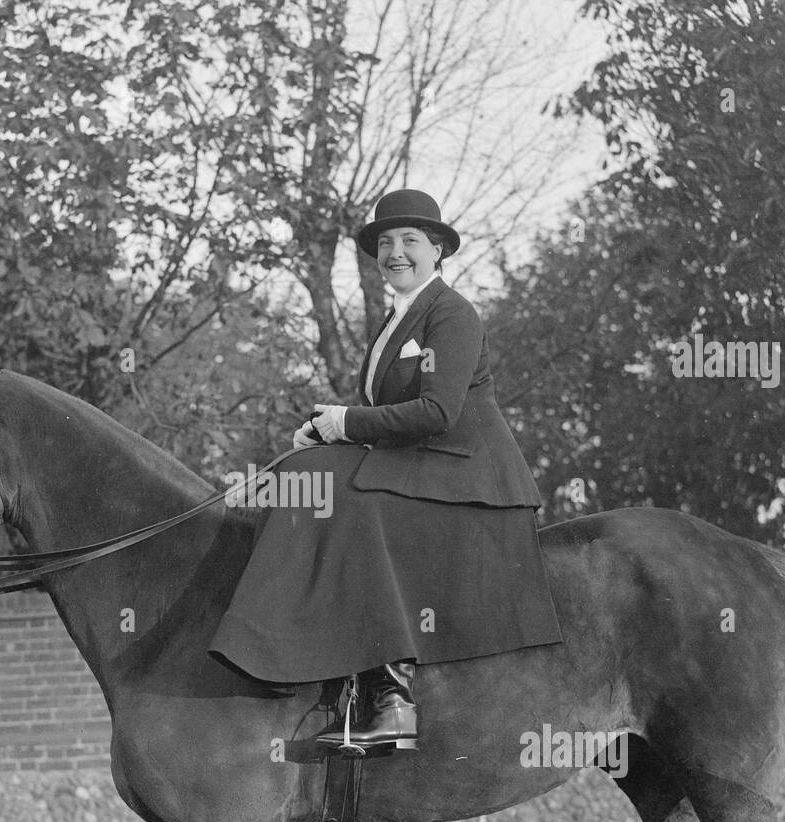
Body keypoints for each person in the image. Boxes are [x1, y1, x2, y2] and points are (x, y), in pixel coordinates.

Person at [208, 189, 561, 750]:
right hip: (425, 465)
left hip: (467, 474)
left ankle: (392, 698)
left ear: (438, 249)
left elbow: (437, 412)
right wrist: (322, 433)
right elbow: (380, 415)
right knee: (311, 475)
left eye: (410, 241)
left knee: (352, 502)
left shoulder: (451, 313)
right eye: (387, 243)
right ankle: (280, 650)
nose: (396, 253)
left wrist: (347, 424)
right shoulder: (394, 321)